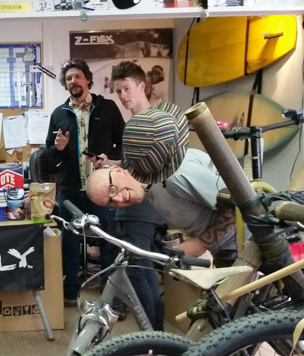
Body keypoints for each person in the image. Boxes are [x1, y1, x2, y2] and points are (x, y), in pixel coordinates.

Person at [86, 61, 235, 259]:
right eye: (111, 203)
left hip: (247, 245)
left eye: (127, 88)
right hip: (221, 249)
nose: (119, 199)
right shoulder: (150, 186)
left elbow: (246, 209)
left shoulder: (176, 176)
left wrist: (200, 243)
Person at [44, 59, 125, 306]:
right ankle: (70, 292)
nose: (73, 81)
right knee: (69, 242)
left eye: (77, 76)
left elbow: (123, 143)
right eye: (69, 78)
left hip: (103, 187)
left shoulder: (108, 108)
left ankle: (110, 296)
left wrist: (110, 160)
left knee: (109, 240)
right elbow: (49, 153)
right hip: (70, 189)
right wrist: (58, 149)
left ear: (88, 79)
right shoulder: (59, 113)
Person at [109, 61, 168, 331]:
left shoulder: (153, 122)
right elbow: (138, 167)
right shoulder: (136, 123)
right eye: (118, 91)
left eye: (126, 89)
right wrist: (111, 166)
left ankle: (152, 341)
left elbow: (158, 170)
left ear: (141, 86)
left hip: (144, 208)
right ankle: (157, 340)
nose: (122, 96)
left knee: (137, 270)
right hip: (135, 207)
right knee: (143, 270)